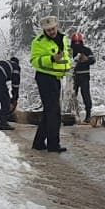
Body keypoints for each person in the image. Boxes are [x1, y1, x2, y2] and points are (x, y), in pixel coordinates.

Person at [29, 15, 72, 152]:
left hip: (56, 78)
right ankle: (53, 144)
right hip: (45, 78)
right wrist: (51, 59)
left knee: (49, 112)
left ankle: (39, 143)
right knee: (54, 113)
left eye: (53, 29)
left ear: (56, 26)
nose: (51, 32)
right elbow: (35, 61)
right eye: (48, 30)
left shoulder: (63, 38)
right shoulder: (38, 42)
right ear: (44, 30)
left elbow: (66, 55)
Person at [68, 32, 96, 121]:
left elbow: (93, 60)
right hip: (72, 77)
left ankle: (88, 114)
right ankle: (73, 114)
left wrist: (87, 59)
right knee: (72, 96)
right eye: (75, 42)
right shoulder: (68, 51)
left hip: (84, 76)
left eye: (78, 42)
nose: (77, 44)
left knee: (86, 95)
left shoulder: (86, 50)